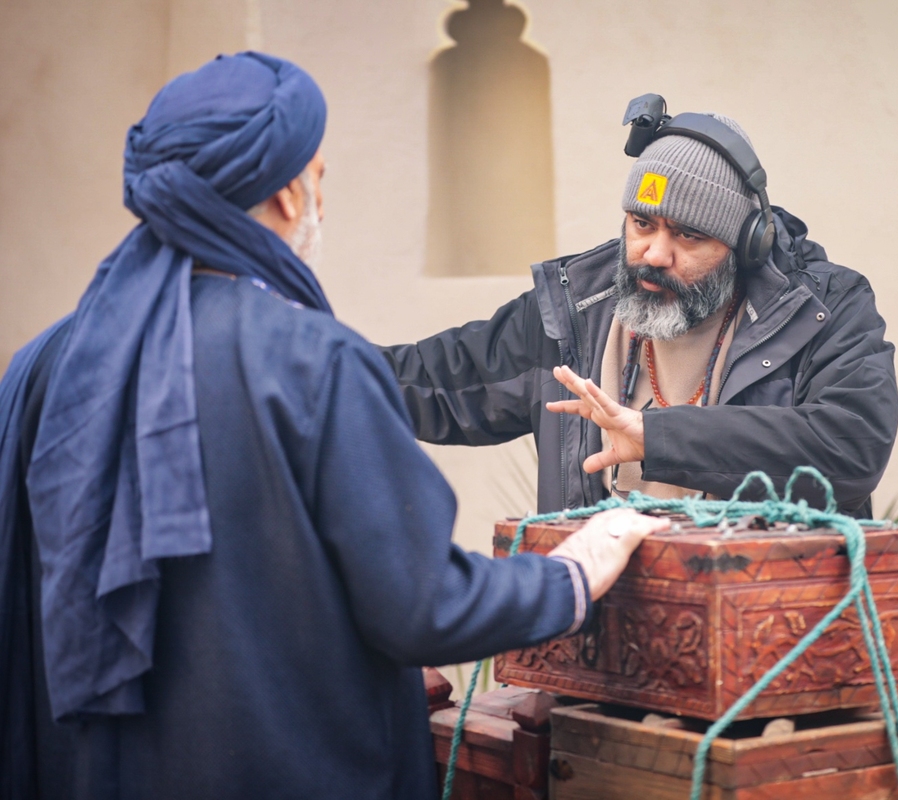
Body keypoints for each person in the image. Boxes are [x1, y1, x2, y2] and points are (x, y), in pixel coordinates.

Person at [0, 53, 666, 800]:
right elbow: (426, 606)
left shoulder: (46, 361)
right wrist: (576, 571)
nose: (321, 198)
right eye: (320, 177)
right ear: (290, 194)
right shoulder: (313, 362)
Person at [379, 97, 898, 517]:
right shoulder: (576, 307)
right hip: (603, 630)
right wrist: (313, 363)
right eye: (642, 224)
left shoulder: (824, 309)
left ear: (745, 246)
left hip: (769, 627)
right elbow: (437, 382)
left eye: (688, 235)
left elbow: (850, 447)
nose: (653, 254)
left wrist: (656, 437)